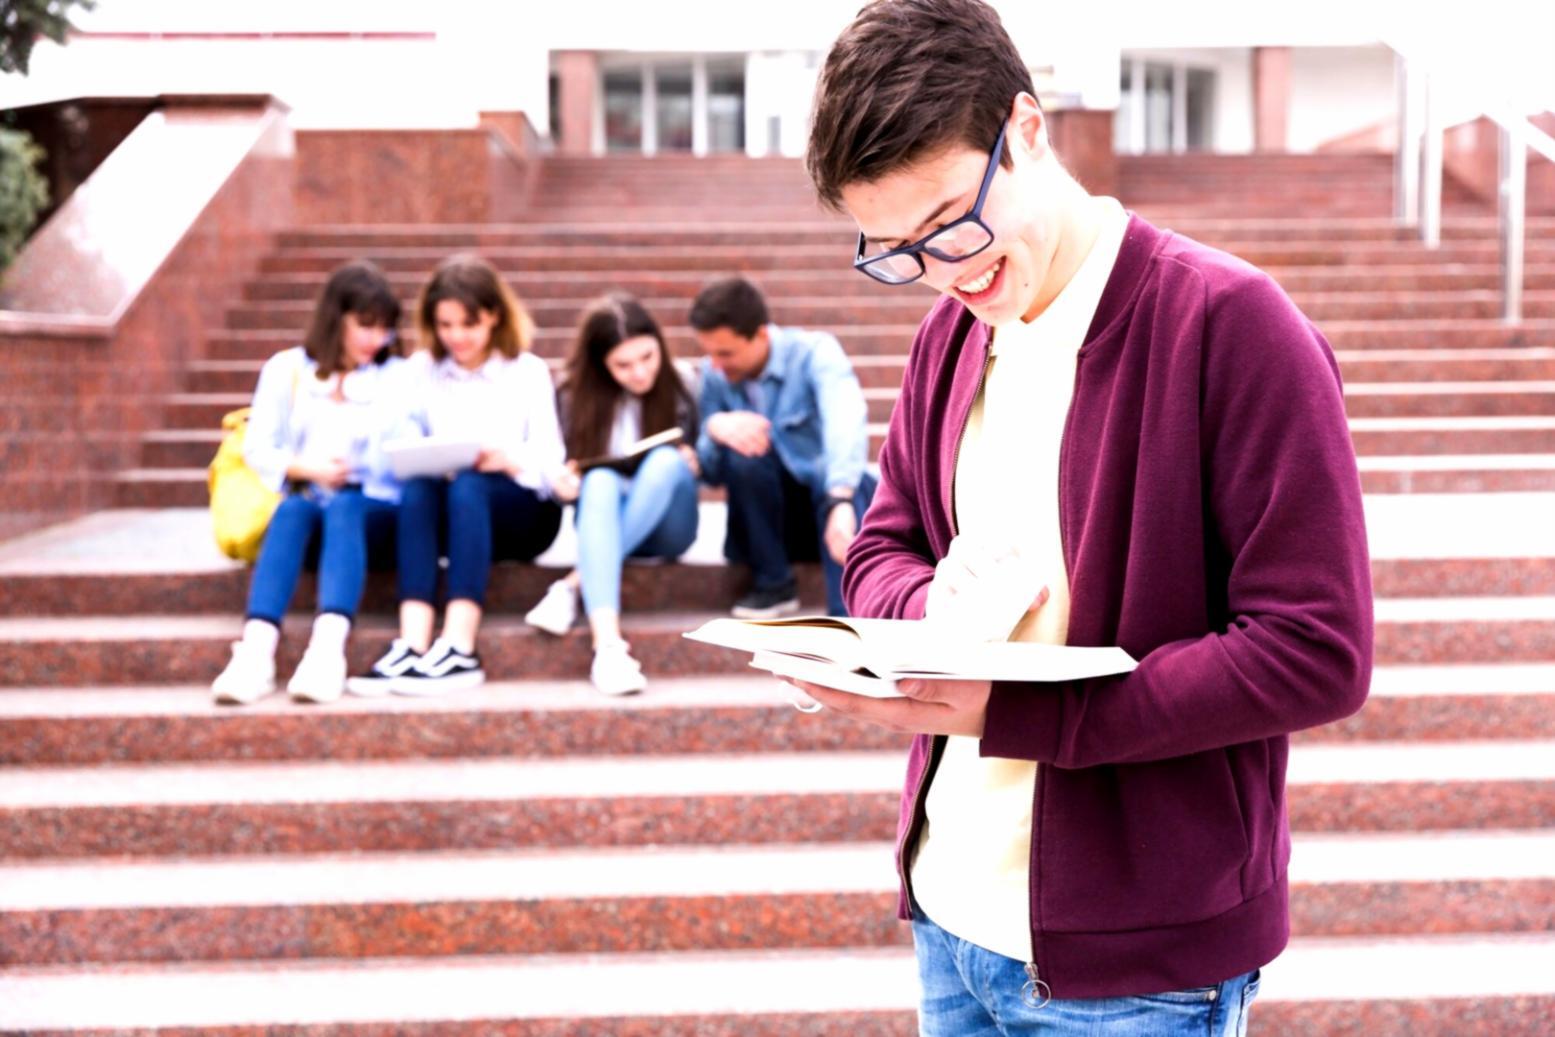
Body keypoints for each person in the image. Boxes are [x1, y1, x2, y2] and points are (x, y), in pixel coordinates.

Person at [783, 1, 1375, 1033]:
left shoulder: (1229, 325)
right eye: (893, 249)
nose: (944, 271)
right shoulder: (950, 339)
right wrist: (928, 608)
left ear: (1024, 128)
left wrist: (1012, 708)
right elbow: (883, 541)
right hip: (951, 911)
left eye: (950, 223)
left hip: (1139, 957)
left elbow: (1313, 649)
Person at [350, 255, 565, 696]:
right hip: (451, 513)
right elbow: (398, 448)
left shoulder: (528, 372)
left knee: (469, 486)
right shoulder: (422, 370)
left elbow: (551, 465)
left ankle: (460, 647)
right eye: (445, 325)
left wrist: (506, 458)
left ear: (494, 316)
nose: (456, 337)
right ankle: (412, 643)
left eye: (468, 324)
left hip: (522, 514)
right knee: (422, 488)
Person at [211, 260, 407, 706]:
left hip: (372, 513)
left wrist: (356, 462)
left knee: (344, 506)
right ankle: (256, 652)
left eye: (384, 330)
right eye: (365, 326)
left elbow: (403, 455)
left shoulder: (395, 376)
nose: (375, 340)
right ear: (336, 317)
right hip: (308, 507)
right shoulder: (288, 370)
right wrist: (309, 469)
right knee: (295, 508)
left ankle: (327, 651)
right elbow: (259, 450)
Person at [523, 293, 701, 696]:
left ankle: (572, 584)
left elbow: (708, 456)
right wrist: (564, 482)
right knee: (600, 478)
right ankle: (608, 647)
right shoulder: (573, 395)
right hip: (605, 516)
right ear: (601, 364)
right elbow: (559, 469)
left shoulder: (684, 381)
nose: (640, 373)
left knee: (665, 461)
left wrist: (695, 458)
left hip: (671, 522)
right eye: (623, 364)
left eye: (647, 357)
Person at [691, 276, 876, 618]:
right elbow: (711, 473)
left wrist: (840, 496)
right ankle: (773, 585)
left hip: (829, 513)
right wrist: (715, 429)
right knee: (743, 452)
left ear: (761, 334)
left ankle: (847, 613)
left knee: (837, 473)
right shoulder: (714, 375)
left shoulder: (814, 353)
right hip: (763, 530)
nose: (715, 364)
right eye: (710, 353)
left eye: (726, 353)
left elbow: (845, 422)